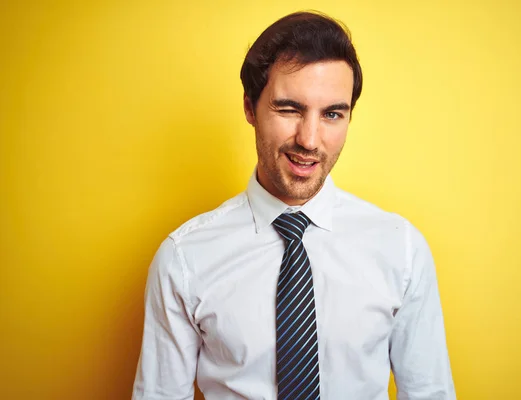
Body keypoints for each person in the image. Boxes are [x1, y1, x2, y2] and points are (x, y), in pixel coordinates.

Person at [132, 11, 456, 400]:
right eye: (289, 109)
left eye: (332, 114)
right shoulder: (184, 259)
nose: (309, 139)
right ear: (250, 108)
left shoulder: (401, 250)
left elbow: (429, 393)